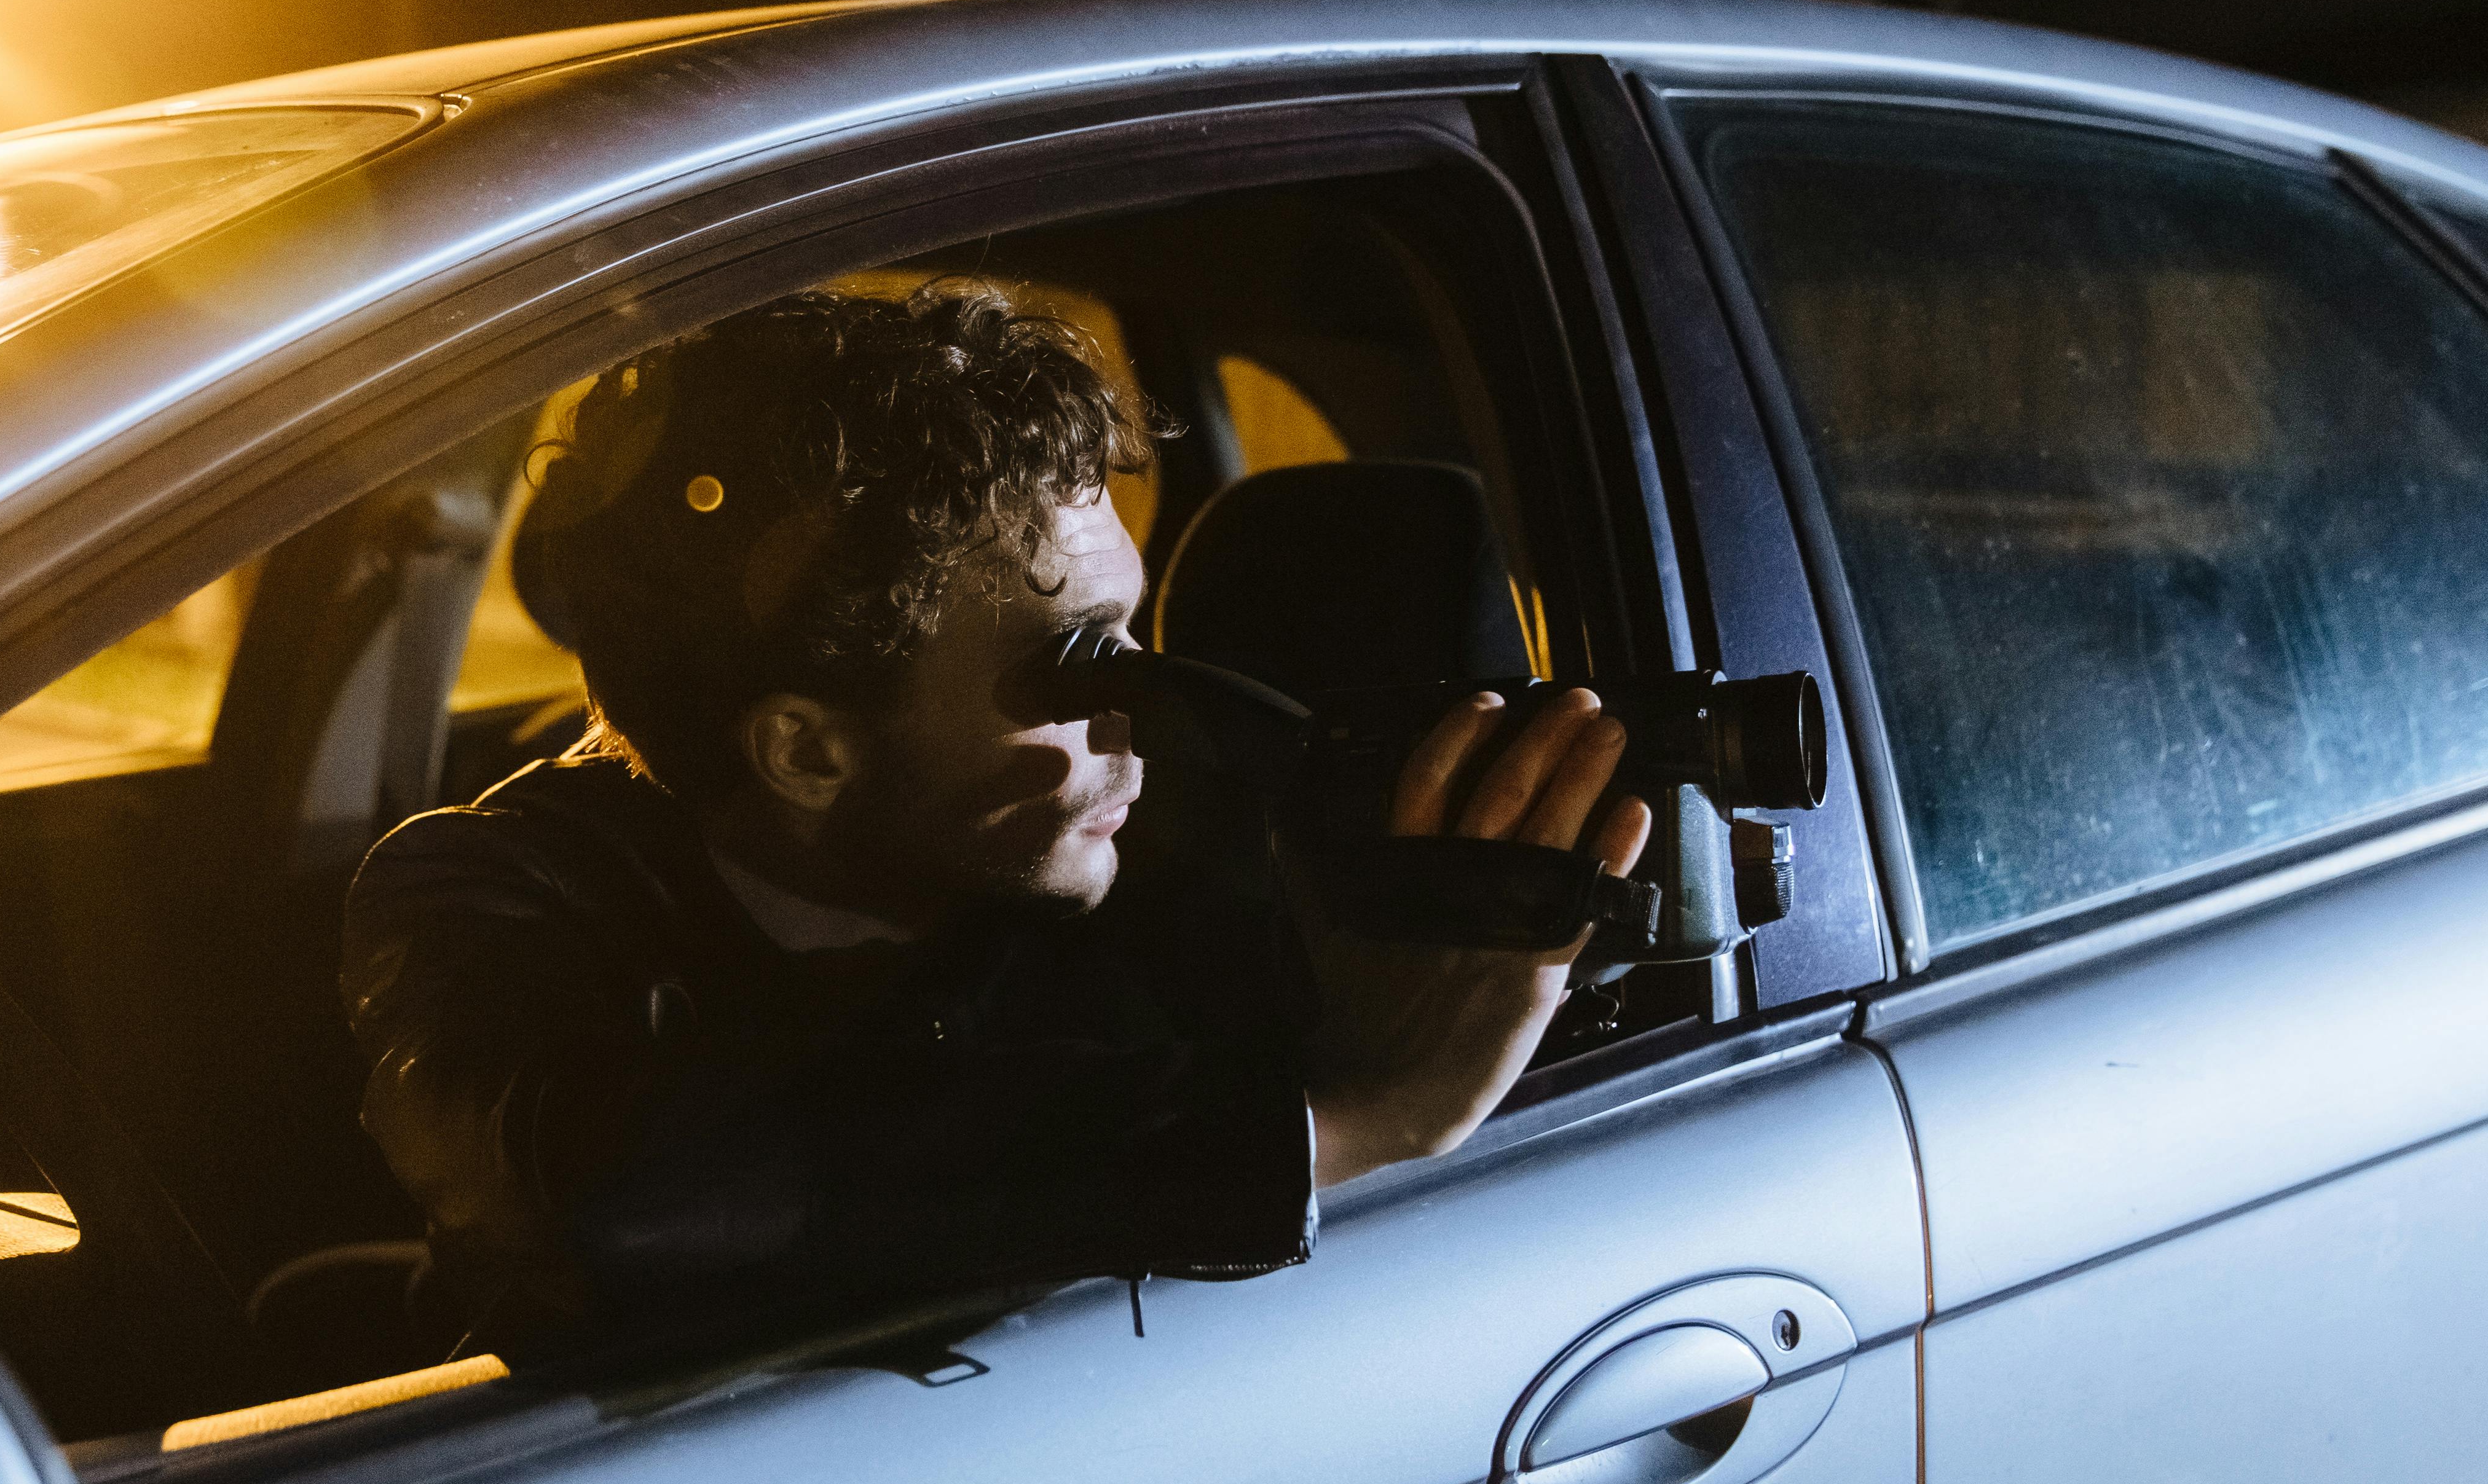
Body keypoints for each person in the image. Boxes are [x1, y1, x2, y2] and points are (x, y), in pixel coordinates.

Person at [343, 280, 1648, 1359]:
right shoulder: (489, 902)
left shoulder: (1164, 848)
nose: (1141, 723)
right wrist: (1342, 1123)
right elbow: (638, 1209)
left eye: (1135, 632)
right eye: (1081, 671)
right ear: (806, 748)